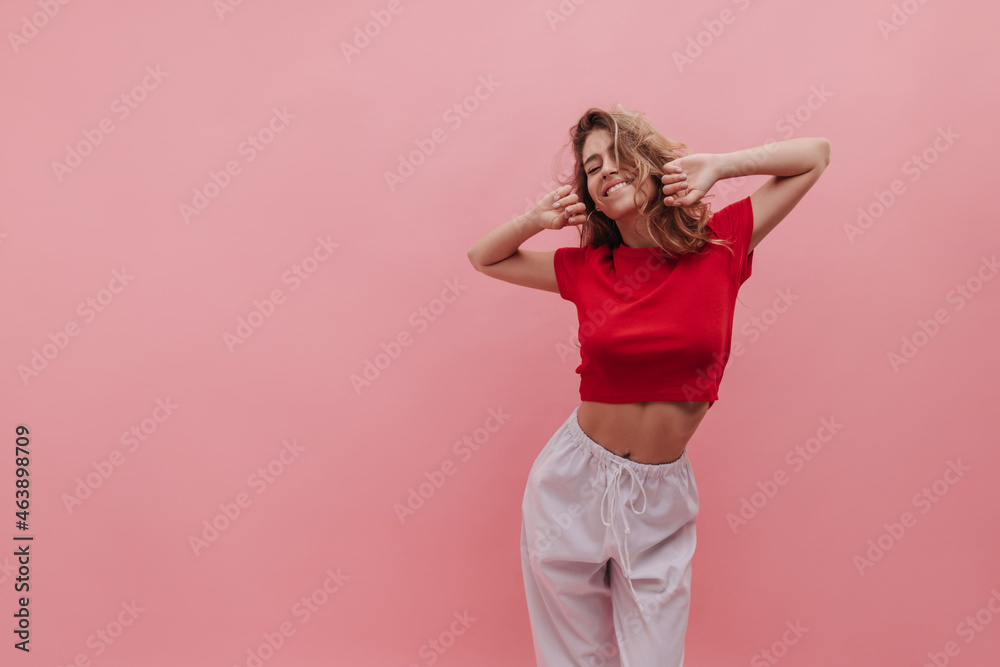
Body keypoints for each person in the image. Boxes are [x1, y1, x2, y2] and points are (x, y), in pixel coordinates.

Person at [466, 104, 830, 667]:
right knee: (572, 659)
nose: (605, 169)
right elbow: (484, 257)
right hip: (571, 484)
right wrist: (538, 219)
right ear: (588, 194)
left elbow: (815, 156)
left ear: (653, 165)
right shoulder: (589, 268)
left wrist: (719, 165)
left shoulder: (722, 243)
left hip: (659, 494)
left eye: (618, 155)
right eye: (591, 167)